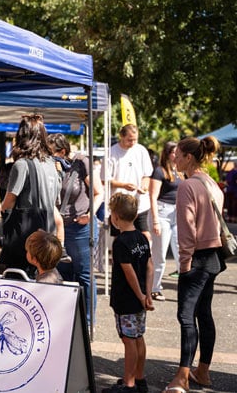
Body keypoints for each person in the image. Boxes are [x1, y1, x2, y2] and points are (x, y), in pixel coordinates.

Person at [163, 136, 225, 393]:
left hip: (197, 257)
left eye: (177, 154)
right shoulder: (210, 182)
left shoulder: (188, 185)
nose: (173, 158)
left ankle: (182, 377)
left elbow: (187, 229)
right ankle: (203, 372)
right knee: (204, 314)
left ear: (189, 157)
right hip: (214, 257)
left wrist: (185, 262)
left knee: (186, 316)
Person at [48, 133, 103, 324]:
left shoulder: (81, 163)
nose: (50, 158)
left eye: (52, 154)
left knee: (84, 274)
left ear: (63, 152)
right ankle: (69, 320)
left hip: (81, 227)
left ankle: (88, 322)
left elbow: (99, 193)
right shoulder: (52, 168)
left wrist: (90, 213)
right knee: (64, 274)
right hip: (60, 228)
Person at [0, 114, 64, 276]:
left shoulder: (22, 165)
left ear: (22, 136)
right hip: (47, 239)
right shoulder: (52, 165)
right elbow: (54, 203)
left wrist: (1, 211)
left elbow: (9, 202)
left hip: (25, 243)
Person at [103, 193, 154, 393]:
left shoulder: (121, 242)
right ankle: (139, 379)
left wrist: (141, 296)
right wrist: (147, 294)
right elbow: (149, 266)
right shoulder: (141, 237)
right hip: (140, 298)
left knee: (129, 340)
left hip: (126, 300)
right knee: (139, 337)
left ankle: (129, 383)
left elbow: (128, 272)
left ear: (115, 217)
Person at [102, 124, 153, 241]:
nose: (133, 142)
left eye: (135, 139)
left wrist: (144, 187)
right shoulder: (111, 152)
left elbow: (147, 175)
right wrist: (123, 185)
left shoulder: (141, 150)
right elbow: (105, 180)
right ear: (121, 136)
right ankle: (120, 258)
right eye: (130, 140)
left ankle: (146, 258)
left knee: (145, 234)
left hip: (139, 204)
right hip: (118, 204)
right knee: (120, 236)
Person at [149, 142, 183, 301]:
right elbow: (153, 196)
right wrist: (155, 220)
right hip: (162, 212)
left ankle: (185, 286)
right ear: (168, 153)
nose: (177, 156)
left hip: (177, 213)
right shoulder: (159, 171)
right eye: (174, 153)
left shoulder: (180, 171)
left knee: (180, 250)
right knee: (160, 253)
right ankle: (154, 287)